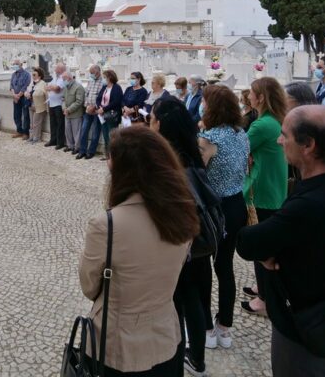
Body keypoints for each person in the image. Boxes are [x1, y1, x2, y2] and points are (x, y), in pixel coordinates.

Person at [236, 105, 325, 376]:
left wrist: (273, 252)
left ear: (308, 145)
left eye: (285, 134)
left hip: (306, 328)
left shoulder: (311, 204)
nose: (279, 140)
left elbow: (247, 243)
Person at [79, 125, 198, 376]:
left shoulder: (106, 225)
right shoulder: (183, 213)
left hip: (119, 346)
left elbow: (90, 287)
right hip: (166, 336)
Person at [150, 96, 217, 376]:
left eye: (153, 119)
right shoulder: (193, 155)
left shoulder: (167, 163)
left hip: (178, 244)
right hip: (199, 242)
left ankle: (176, 362)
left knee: (176, 307)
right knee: (196, 301)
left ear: (162, 124)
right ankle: (197, 359)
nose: (150, 124)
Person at [197, 85, 250, 352]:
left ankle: (206, 328)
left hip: (213, 209)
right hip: (236, 204)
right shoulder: (241, 134)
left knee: (204, 268)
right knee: (225, 267)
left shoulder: (208, 138)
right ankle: (225, 328)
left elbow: (198, 175)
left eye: (205, 103)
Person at [241, 77, 288, 316]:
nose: (248, 97)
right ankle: (263, 288)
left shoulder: (262, 125)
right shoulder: (275, 121)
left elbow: (241, 150)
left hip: (262, 190)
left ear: (260, 98)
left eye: (251, 93)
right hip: (274, 187)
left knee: (262, 245)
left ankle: (265, 299)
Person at [86, 69, 123, 161]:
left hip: (111, 115)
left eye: (104, 77)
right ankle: (107, 154)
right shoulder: (104, 87)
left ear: (110, 78)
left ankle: (114, 156)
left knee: (112, 136)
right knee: (106, 135)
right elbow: (98, 98)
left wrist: (104, 109)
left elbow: (116, 102)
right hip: (102, 115)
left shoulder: (116, 88)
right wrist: (99, 107)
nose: (103, 79)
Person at [75, 65, 103, 159]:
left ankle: (91, 151)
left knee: (95, 132)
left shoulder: (103, 82)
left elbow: (102, 97)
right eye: (90, 73)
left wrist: (94, 107)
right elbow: (86, 94)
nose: (91, 75)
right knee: (84, 130)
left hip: (97, 111)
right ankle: (82, 150)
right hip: (88, 110)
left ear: (98, 72)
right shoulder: (90, 81)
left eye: (92, 73)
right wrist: (87, 105)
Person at [62, 71, 85, 154]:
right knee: (67, 131)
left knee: (76, 132)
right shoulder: (66, 87)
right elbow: (63, 99)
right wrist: (64, 108)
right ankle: (70, 145)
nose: (63, 81)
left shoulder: (78, 87)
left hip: (76, 114)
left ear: (69, 78)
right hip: (67, 113)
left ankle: (77, 147)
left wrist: (69, 110)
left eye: (63, 79)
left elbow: (79, 101)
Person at [45, 63, 67, 149]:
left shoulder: (63, 78)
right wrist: (51, 87)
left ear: (61, 69)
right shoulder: (55, 77)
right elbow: (47, 87)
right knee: (52, 123)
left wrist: (52, 87)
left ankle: (60, 142)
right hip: (52, 103)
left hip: (59, 104)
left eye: (56, 68)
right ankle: (53, 140)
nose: (55, 70)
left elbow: (57, 89)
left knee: (60, 124)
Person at [9, 58, 31, 140]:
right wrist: (14, 94)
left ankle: (26, 132)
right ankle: (19, 131)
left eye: (16, 64)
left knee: (25, 115)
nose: (14, 66)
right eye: (13, 64)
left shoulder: (27, 74)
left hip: (24, 97)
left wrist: (19, 95)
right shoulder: (13, 75)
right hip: (15, 97)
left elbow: (26, 86)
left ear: (21, 65)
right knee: (16, 114)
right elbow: (11, 85)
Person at [26, 67, 48, 144]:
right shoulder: (32, 83)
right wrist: (27, 94)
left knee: (37, 123)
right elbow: (27, 91)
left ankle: (37, 138)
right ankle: (31, 137)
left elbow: (44, 94)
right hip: (31, 104)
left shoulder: (43, 83)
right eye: (32, 74)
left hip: (39, 106)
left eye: (34, 74)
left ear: (39, 76)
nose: (33, 76)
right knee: (31, 122)